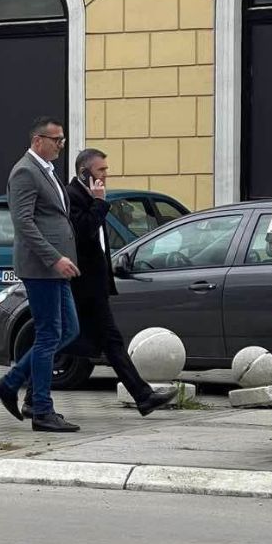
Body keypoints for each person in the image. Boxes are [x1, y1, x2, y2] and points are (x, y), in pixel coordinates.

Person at [60, 149, 177, 416]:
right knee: (100, 340)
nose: (105, 175)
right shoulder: (73, 196)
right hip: (83, 286)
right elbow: (82, 232)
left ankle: (143, 396)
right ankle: (143, 396)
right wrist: (99, 203)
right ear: (84, 173)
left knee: (90, 341)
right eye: (101, 170)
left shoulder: (89, 196)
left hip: (95, 286)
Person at [0, 117, 82, 433]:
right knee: (49, 334)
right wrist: (55, 258)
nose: (61, 145)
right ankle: (41, 408)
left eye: (62, 140)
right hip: (42, 267)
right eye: (57, 139)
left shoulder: (47, 171)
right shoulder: (25, 171)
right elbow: (24, 224)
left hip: (54, 268)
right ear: (39, 140)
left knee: (68, 328)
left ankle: (12, 383)